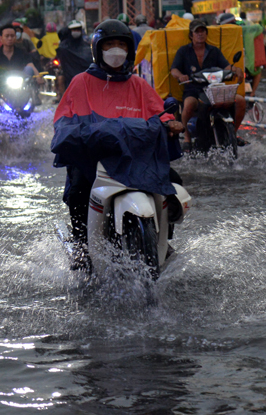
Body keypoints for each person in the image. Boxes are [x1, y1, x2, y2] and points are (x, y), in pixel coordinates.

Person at [52, 19, 184, 255]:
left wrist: (171, 123)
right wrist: (69, 132)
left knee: (173, 181)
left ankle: (164, 234)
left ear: (129, 50)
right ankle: (83, 248)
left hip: (136, 158)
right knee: (78, 191)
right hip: (93, 159)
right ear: (97, 49)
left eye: (121, 45)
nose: (116, 50)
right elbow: (63, 119)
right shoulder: (80, 82)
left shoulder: (138, 84)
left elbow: (159, 113)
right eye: (109, 44)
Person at [170, 19, 246, 145]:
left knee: (241, 102)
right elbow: (174, 69)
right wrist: (180, 76)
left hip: (214, 90)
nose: (200, 34)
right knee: (188, 105)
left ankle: (233, 133)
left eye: (203, 31)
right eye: (197, 32)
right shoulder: (183, 51)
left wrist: (236, 70)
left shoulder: (214, 51)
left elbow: (226, 66)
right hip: (193, 90)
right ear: (191, 35)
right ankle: (187, 139)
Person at [0, 23, 43, 101]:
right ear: (1, 38)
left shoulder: (22, 52)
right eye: (7, 36)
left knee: (29, 70)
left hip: (20, 85)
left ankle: (31, 98)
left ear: (15, 38)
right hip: (1, 84)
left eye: (12, 36)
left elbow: (30, 65)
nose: (10, 38)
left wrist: (38, 77)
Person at [55, 20, 93, 90]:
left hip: (85, 80)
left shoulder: (86, 47)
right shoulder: (64, 47)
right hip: (70, 80)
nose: (76, 31)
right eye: (74, 29)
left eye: (78, 29)